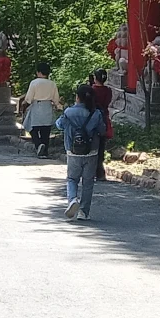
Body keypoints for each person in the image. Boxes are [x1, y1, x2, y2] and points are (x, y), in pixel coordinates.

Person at [57, 82, 107, 220]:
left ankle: (72, 199)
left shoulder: (68, 112)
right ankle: (83, 212)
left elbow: (59, 125)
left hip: (73, 151)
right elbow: (102, 130)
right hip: (91, 152)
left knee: (72, 179)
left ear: (77, 97)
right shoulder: (96, 113)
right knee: (88, 182)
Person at [18, 62, 61, 158]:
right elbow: (56, 99)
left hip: (37, 106)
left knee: (32, 128)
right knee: (45, 130)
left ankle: (38, 145)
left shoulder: (34, 82)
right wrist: (57, 106)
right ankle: (44, 151)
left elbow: (29, 98)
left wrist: (24, 105)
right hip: (47, 106)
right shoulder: (52, 84)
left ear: (39, 72)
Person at [89, 67, 115, 182]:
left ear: (95, 78)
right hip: (104, 117)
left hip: (93, 118)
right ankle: (100, 172)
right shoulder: (108, 90)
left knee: (92, 145)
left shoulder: (91, 90)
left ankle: (93, 171)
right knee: (101, 146)